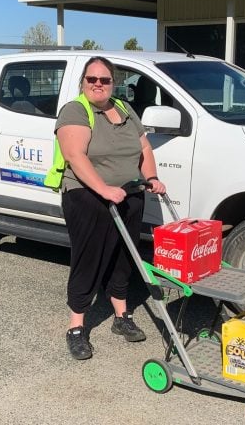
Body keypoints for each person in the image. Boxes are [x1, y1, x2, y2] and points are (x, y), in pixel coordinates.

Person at [55, 56, 167, 360]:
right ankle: (76, 326)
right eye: (92, 79)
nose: (98, 85)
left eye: (104, 79)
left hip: (129, 193)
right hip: (87, 196)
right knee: (89, 257)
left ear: (113, 83)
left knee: (124, 255)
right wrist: (104, 189)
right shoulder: (76, 111)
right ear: (83, 82)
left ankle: (121, 316)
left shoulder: (124, 108)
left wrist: (152, 177)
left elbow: (144, 147)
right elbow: (75, 156)